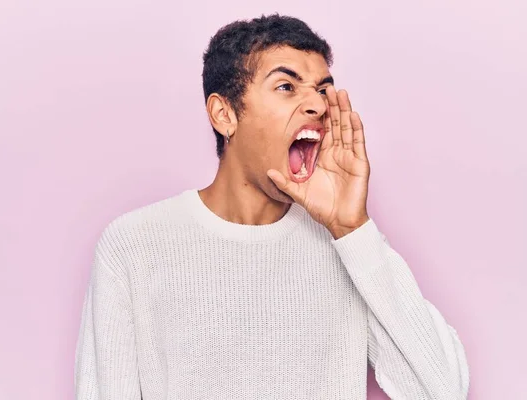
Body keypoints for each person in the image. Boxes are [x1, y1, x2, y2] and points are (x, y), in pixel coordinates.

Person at [74, 14, 470, 400]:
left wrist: (353, 230)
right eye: (286, 86)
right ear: (224, 114)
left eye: (322, 89)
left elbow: (442, 391)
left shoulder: (349, 245)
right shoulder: (134, 245)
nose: (316, 104)